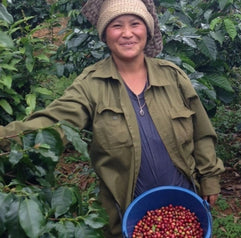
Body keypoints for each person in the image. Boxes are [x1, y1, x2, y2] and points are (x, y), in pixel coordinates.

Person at [0, 0, 225, 237]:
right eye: (116, 25)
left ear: (147, 30)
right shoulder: (91, 85)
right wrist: (5, 139)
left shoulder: (173, 77)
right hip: (126, 210)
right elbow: (52, 124)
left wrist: (209, 177)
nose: (127, 33)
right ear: (105, 35)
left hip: (183, 199)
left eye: (135, 24)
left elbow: (202, 132)